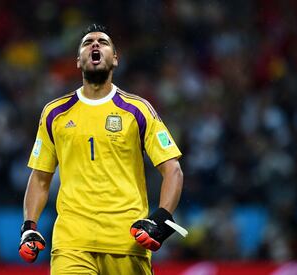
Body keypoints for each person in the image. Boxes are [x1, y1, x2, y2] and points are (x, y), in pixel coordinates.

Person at [19, 24, 186, 274]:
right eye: (87, 43)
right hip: (71, 243)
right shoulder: (54, 113)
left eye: (103, 42)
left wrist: (161, 217)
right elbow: (40, 177)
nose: (95, 45)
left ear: (115, 59)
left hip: (127, 242)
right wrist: (29, 226)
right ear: (78, 61)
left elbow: (173, 169)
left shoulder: (138, 110)